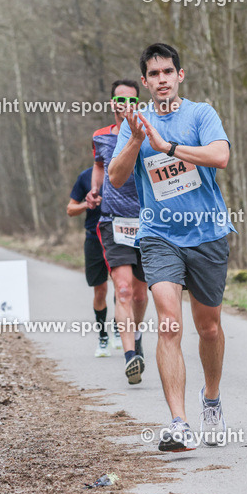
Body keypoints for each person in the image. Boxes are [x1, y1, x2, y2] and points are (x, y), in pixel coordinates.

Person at [109, 43, 233, 452]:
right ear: (143, 82)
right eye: (153, 74)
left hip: (207, 232)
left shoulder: (200, 113)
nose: (161, 80)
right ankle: (179, 423)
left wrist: (167, 148)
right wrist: (137, 140)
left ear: (180, 75)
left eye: (168, 72)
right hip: (159, 234)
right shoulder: (134, 123)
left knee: (209, 327)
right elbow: (115, 177)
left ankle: (210, 401)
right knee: (168, 322)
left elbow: (220, 156)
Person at [93, 79, 149, 383]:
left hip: (148, 220)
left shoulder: (148, 130)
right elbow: (99, 166)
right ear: (112, 102)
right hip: (113, 220)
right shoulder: (100, 136)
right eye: (119, 99)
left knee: (140, 295)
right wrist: (94, 190)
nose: (124, 104)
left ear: (138, 102)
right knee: (124, 289)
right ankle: (130, 358)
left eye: (130, 99)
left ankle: (136, 336)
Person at [67, 167, 112, 357]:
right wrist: (88, 204)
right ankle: (103, 336)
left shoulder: (125, 170)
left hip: (120, 237)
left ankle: (121, 327)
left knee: (124, 287)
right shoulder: (85, 176)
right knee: (100, 290)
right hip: (94, 238)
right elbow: (70, 209)